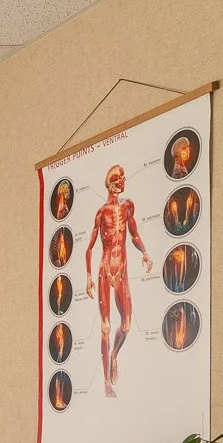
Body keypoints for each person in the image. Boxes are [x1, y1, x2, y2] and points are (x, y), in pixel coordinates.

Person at [83, 165, 151, 398]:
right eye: (118, 179)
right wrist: (88, 277)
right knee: (105, 327)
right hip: (105, 270)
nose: (122, 182)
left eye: (123, 178)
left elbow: (134, 235)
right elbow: (89, 247)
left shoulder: (127, 207)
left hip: (121, 270)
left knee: (127, 325)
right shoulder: (101, 213)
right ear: (110, 184)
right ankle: (106, 383)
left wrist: (145, 252)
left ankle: (114, 355)